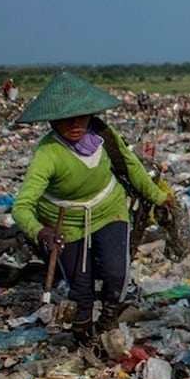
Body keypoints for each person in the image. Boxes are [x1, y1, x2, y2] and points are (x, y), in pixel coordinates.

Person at [11, 72, 175, 342]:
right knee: (81, 288)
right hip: (65, 222)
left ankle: (109, 318)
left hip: (109, 209)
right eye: (65, 119)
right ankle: (83, 337)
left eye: (81, 116)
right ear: (52, 120)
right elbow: (22, 207)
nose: (75, 124)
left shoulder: (103, 136)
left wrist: (159, 198)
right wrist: (41, 232)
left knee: (115, 272)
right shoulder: (48, 153)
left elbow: (131, 166)